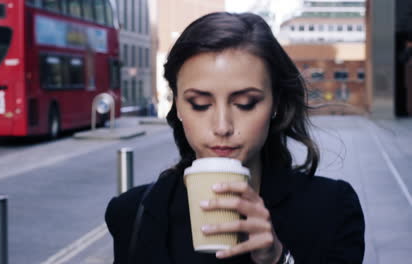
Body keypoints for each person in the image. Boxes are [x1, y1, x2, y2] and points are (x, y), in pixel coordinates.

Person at [105, 12, 365, 264]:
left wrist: (278, 258)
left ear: (275, 103)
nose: (222, 127)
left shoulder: (332, 209)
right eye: (199, 104)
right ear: (178, 107)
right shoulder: (132, 213)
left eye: (245, 103)